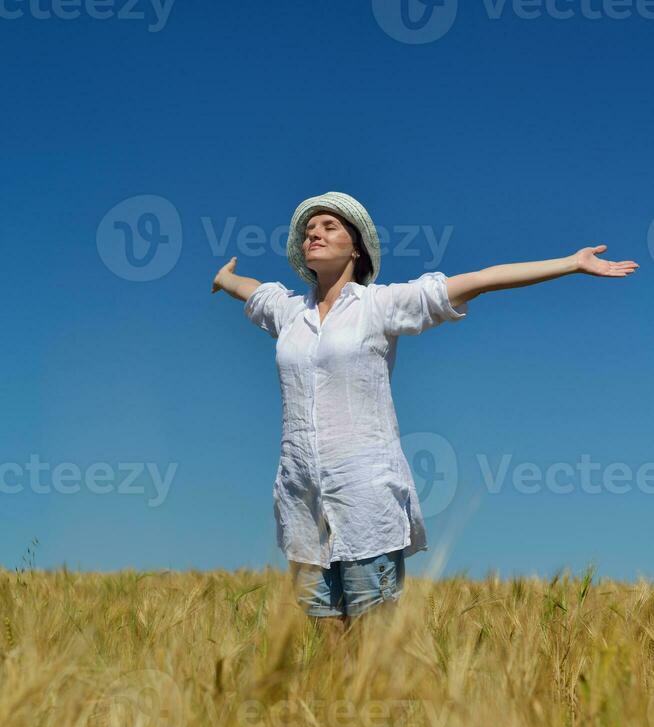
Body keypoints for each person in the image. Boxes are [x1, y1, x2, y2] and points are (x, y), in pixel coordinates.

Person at [212, 190, 638, 635]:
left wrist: (570, 262)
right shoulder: (288, 311)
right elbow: (251, 291)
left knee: (372, 647)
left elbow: (480, 279)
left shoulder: (381, 305)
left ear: (355, 246)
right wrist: (224, 279)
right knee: (324, 648)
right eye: (308, 230)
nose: (312, 233)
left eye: (328, 226)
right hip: (303, 502)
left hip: (364, 500)